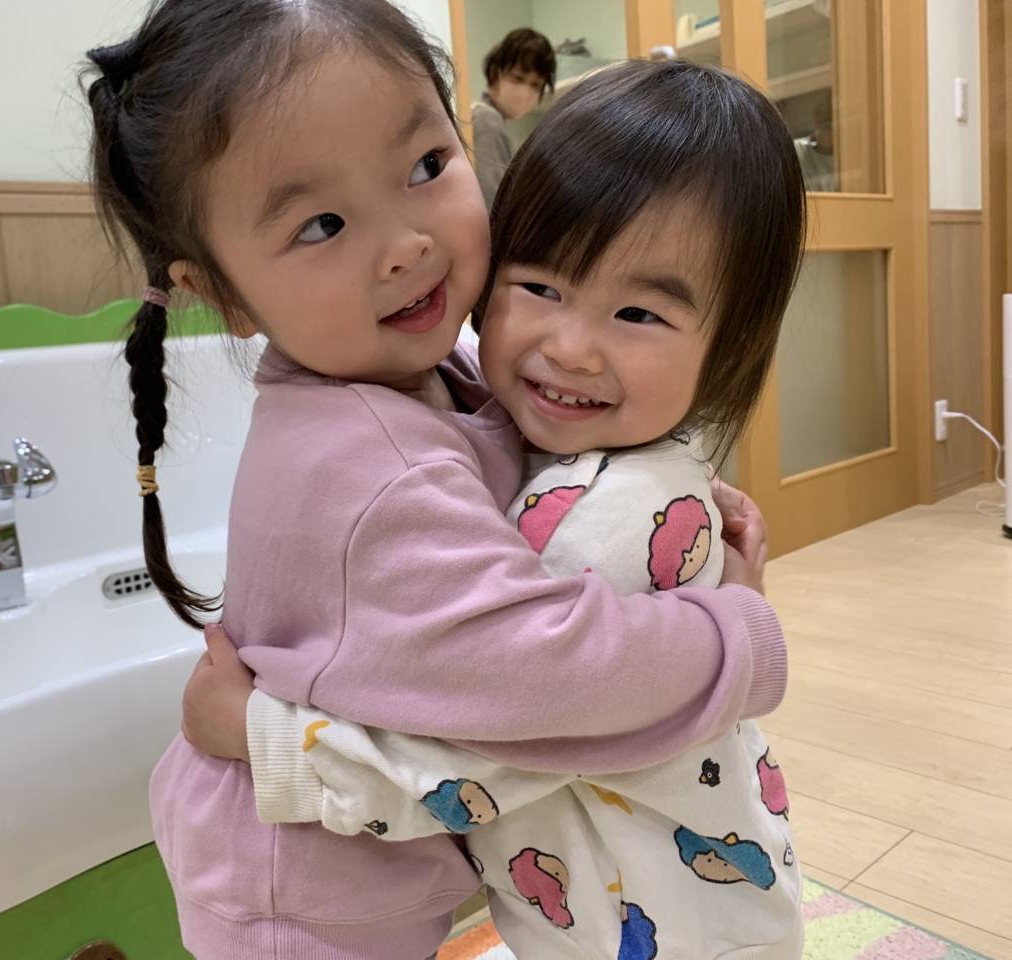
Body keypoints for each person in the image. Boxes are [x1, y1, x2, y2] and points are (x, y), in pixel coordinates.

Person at [83, 2, 786, 955]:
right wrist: (738, 636)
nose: (407, 244)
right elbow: (546, 683)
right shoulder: (374, 469)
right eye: (322, 224)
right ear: (226, 296)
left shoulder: (413, 362)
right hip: (301, 892)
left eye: (423, 167)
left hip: (358, 841)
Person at [472, 28, 556, 211]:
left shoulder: (485, 117)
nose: (525, 91)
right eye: (518, 78)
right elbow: (491, 204)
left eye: (536, 84)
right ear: (494, 73)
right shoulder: (487, 120)